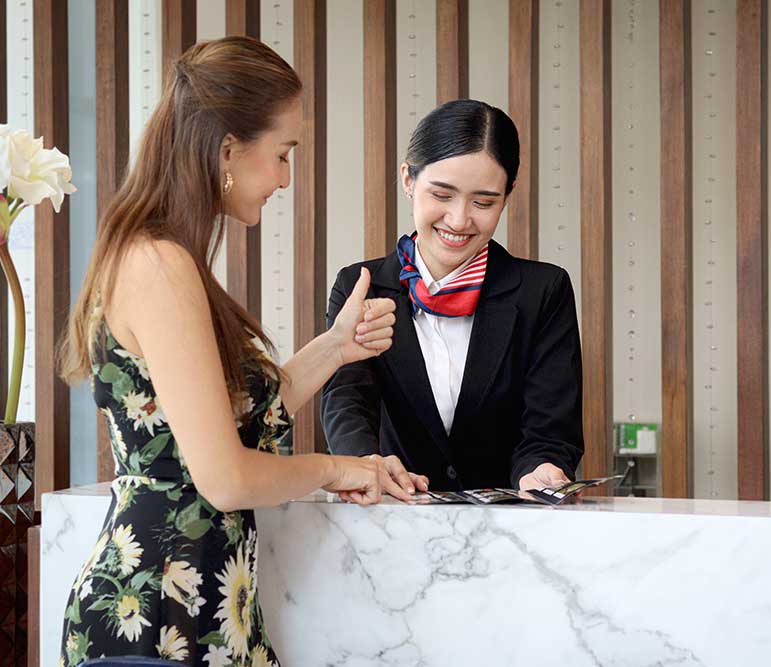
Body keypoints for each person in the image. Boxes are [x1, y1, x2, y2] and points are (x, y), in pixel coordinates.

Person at [57, 37, 393, 666]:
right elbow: (226, 475)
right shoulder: (158, 264)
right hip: (155, 618)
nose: (287, 178)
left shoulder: (163, 256)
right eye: (283, 154)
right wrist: (333, 467)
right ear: (229, 149)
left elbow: (233, 419)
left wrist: (335, 347)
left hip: (199, 605)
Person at [321, 99, 584, 497]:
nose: (459, 220)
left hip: (511, 527)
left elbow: (550, 425)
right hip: (395, 516)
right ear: (409, 180)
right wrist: (363, 460)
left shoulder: (543, 292)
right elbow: (347, 398)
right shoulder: (361, 286)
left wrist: (541, 468)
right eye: (442, 195)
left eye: (484, 202)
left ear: (508, 195)